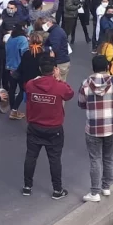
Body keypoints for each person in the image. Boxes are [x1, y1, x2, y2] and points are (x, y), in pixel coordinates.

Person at [22, 56, 75, 199]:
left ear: (39, 69)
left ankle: (27, 186)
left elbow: (27, 90)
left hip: (34, 126)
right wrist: (59, 79)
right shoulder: (59, 86)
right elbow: (69, 94)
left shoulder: (30, 84)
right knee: (54, 159)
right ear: (54, 70)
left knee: (31, 156)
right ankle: (57, 190)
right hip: (54, 128)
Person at [78, 55, 113, 202]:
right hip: (110, 126)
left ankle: (94, 192)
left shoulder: (85, 83)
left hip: (93, 128)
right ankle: (106, 187)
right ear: (107, 67)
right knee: (108, 158)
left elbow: (81, 103)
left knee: (95, 159)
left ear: (93, 67)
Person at [5, 24, 29, 120]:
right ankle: (14, 110)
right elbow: (24, 53)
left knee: (12, 89)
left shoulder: (10, 38)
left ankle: (12, 109)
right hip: (19, 67)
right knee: (23, 89)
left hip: (9, 66)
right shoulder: (22, 39)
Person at [42, 17, 71, 82]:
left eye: (44, 23)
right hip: (62, 61)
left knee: (59, 83)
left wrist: (44, 49)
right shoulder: (57, 31)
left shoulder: (55, 33)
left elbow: (54, 48)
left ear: (50, 22)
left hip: (60, 63)